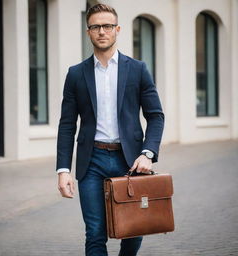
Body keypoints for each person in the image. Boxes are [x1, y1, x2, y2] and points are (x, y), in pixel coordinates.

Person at [56, 4, 164, 256]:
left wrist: (147, 153)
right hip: (91, 160)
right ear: (88, 32)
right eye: (95, 26)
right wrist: (63, 170)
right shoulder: (76, 74)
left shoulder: (137, 69)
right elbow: (67, 125)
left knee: (134, 228)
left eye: (107, 26)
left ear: (117, 29)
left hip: (131, 161)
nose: (101, 31)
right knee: (94, 232)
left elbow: (155, 116)